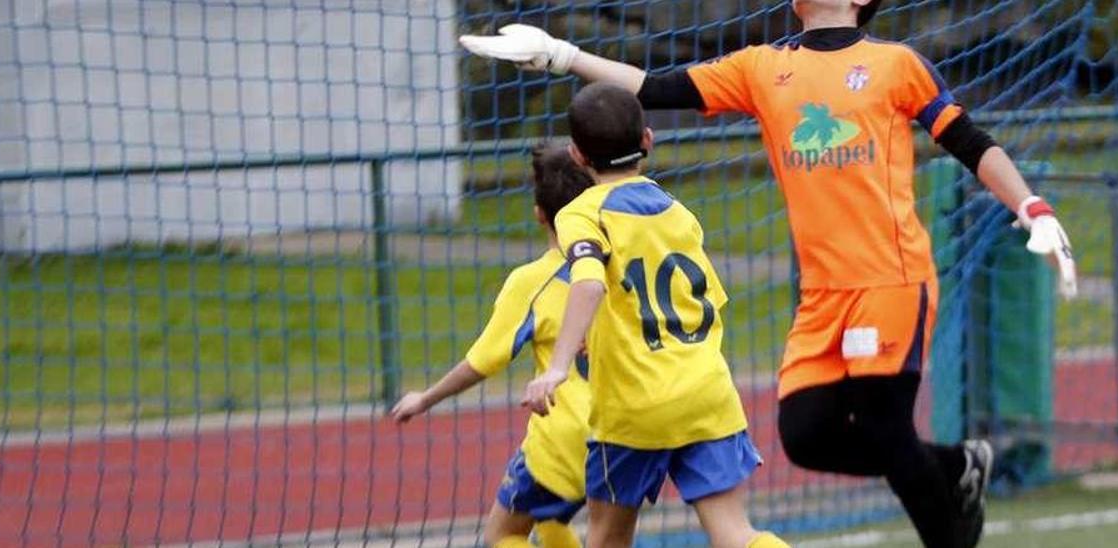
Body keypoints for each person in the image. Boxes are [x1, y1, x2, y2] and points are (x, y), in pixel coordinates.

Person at [460, 1, 1078, 547]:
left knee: (886, 427)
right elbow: (654, 86)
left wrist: (1031, 206)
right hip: (822, 296)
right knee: (805, 435)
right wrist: (562, 54)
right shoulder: (762, 68)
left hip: (890, 278)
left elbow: (971, 141)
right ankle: (953, 467)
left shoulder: (896, 64)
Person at [519, 83, 788, 548]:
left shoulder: (581, 214)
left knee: (606, 537)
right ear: (648, 139)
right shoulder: (678, 213)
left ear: (577, 155)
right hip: (706, 392)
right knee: (735, 533)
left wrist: (558, 366)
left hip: (634, 406)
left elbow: (588, 281)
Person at [390, 144, 595, 548]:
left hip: (563, 443)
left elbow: (482, 362)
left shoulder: (531, 282)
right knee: (554, 521)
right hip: (623, 436)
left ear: (539, 215)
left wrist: (426, 399)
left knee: (501, 534)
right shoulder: (617, 266)